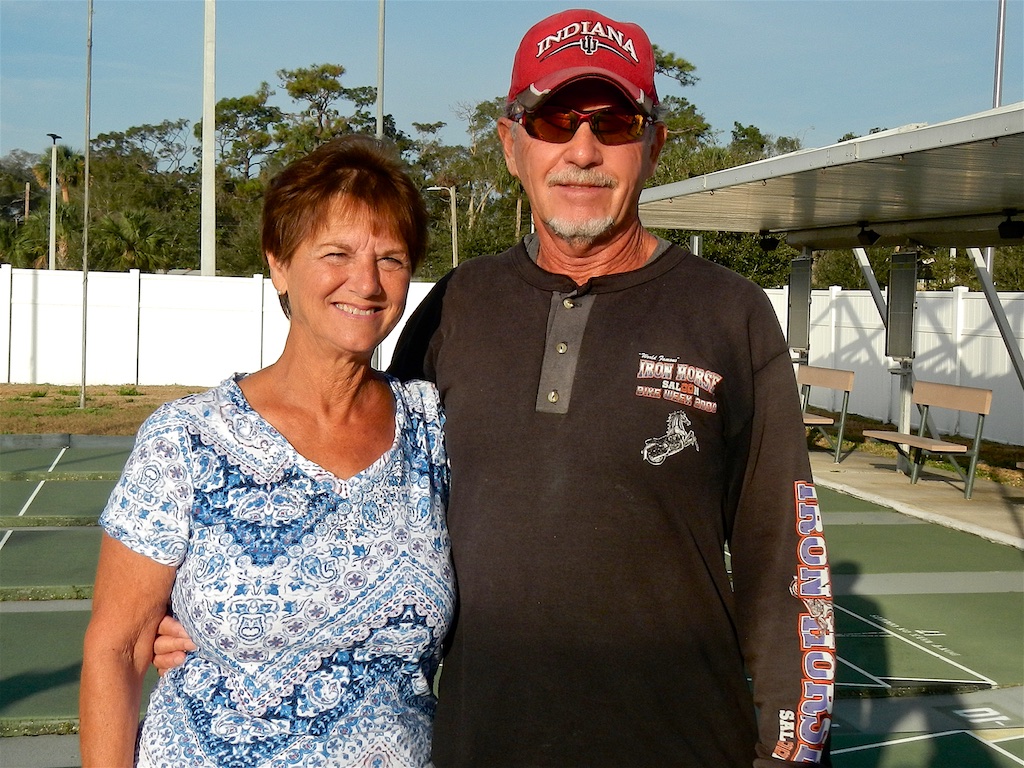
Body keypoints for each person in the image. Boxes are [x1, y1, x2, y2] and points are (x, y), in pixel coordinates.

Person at [157, 8, 835, 766]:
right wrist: (207, 613)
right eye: (554, 121)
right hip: (478, 746)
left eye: (613, 123)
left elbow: (788, 560)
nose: (583, 150)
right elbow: (361, 502)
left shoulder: (730, 314)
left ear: (654, 145)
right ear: (512, 144)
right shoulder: (456, 306)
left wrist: (792, 749)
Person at [80, 135, 455, 768]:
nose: (366, 282)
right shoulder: (186, 438)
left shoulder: (432, 427)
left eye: (390, 259)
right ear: (279, 264)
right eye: (335, 253)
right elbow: (116, 649)